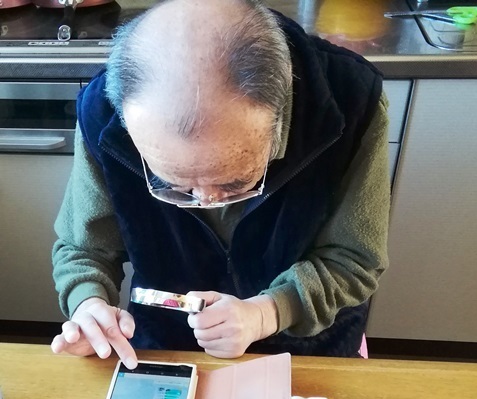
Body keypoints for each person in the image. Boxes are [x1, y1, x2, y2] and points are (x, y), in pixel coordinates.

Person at [51, 0, 390, 369]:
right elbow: (84, 248)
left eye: (235, 182)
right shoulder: (103, 114)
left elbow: (355, 258)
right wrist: (89, 303)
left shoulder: (350, 101)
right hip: (168, 341)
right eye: (174, 183)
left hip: (310, 347)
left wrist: (267, 313)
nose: (207, 200)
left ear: (280, 116)